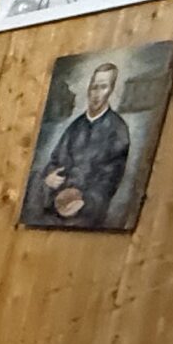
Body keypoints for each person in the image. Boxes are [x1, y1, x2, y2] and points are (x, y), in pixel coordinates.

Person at [30, 61, 132, 223]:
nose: (97, 93)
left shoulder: (117, 129)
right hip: (57, 207)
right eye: (94, 87)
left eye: (103, 87)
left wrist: (86, 202)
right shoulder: (75, 127)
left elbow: (110, 181)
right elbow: (56, 161)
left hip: (86, 215)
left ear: (111, 90)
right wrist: (49, 178)